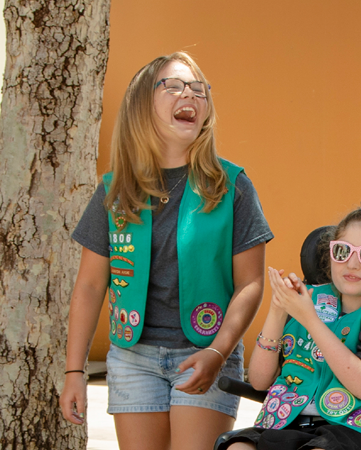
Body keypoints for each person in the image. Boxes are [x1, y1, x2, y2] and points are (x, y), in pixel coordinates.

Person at [61, 51, 274, 450]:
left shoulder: (233, 187)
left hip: (205, 351)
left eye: (198, 89)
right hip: (131, 358)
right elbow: (89, 286)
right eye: (173, 86)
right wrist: (75, 370)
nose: (188, 95)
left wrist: (218, 351)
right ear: (142, 106)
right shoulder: (113, 192)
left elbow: (250, 284)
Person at [220, 205, 361, 450]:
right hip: (287, 419)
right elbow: (259, 381)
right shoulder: (309, 298)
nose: (352, 264)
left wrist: (310, 320)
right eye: (342, 251)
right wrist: (277, 311)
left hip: (352, 426)